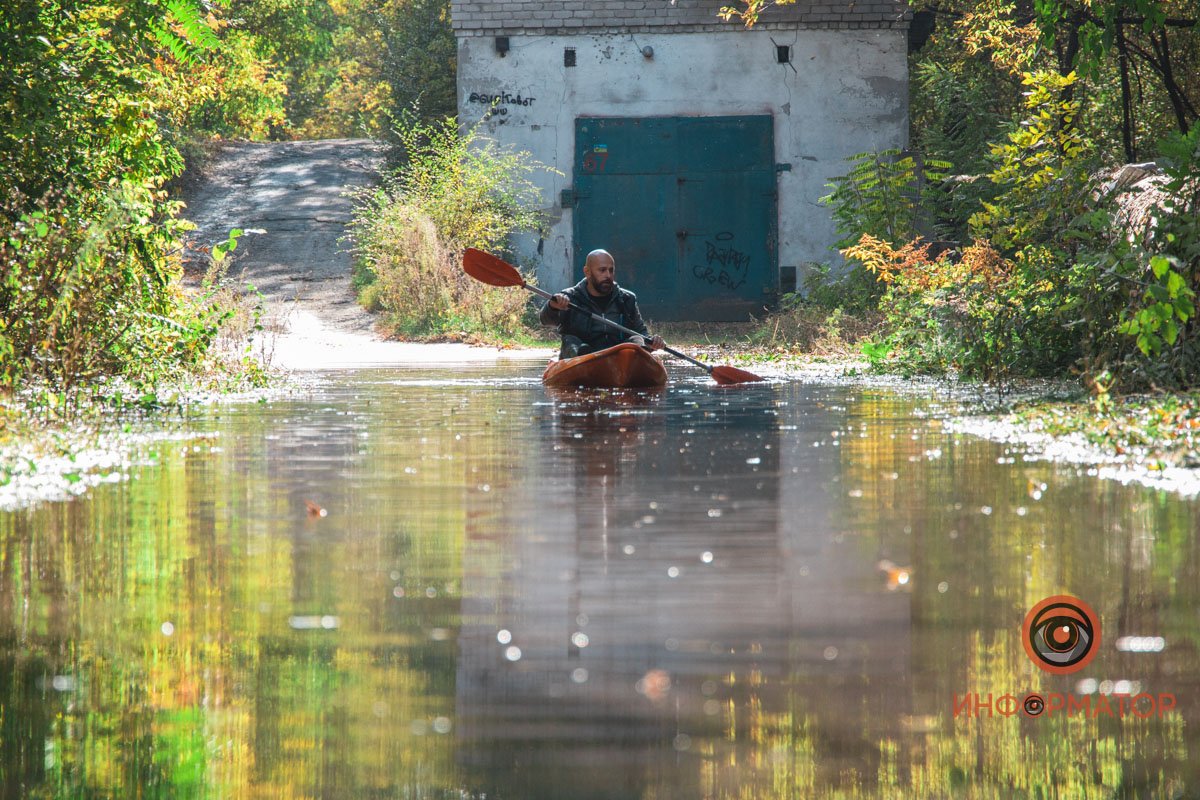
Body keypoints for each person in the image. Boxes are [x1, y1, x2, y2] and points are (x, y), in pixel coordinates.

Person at [539, 249, 666, 359]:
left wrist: (651, 342)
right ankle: (583, 360)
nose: (608, 275)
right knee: (571, 341)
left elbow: (640, 331)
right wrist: (553, 306)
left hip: (620, 355)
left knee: (636, 340)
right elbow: (545, 320)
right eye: (602, 270)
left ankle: (629, 362)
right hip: (582, 353)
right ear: (587, 272)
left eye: (611, 271)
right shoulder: (570, 297)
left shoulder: (627, 298)